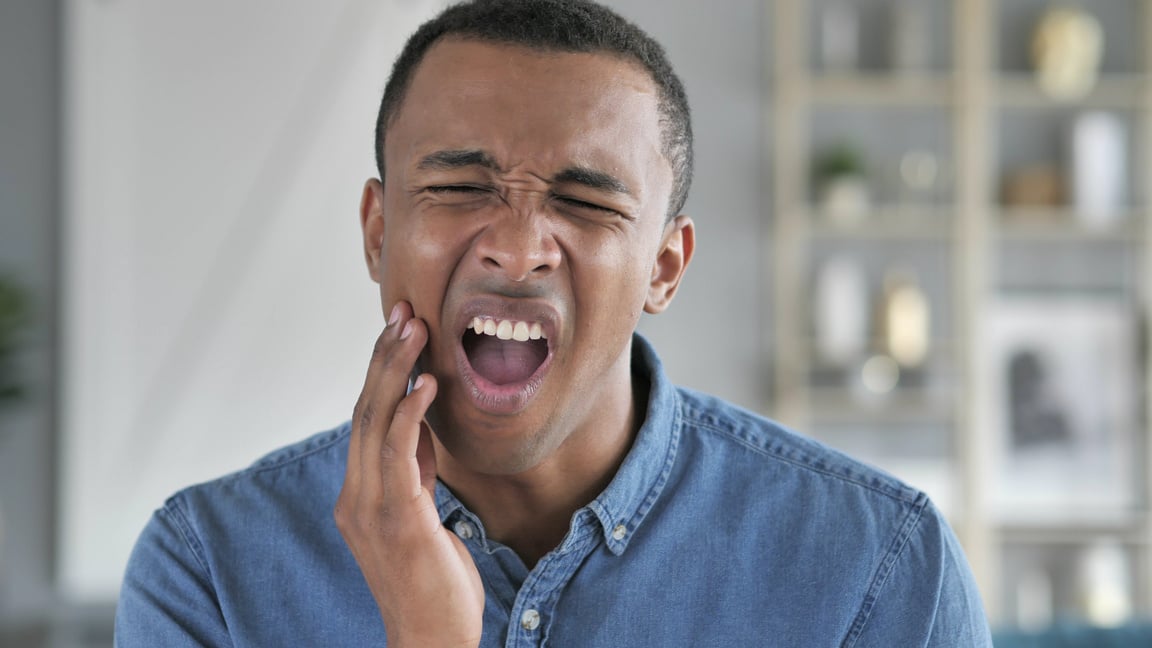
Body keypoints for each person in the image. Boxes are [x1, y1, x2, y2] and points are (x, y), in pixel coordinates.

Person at [115, 1, 993, 645]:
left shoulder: (880, 570)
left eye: (582, 201)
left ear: (663, 266)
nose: (518, 247)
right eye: (460, 188)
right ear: (378, 232)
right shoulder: (207, 571)